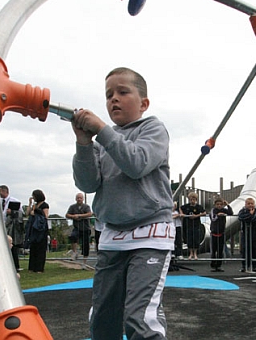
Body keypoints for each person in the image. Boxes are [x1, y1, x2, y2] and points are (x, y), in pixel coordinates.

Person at [72, 67, 174, 340]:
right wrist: (84, 143)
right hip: (113, 235)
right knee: (102, 317)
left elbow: (136, 163)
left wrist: (102, 131)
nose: (113, 99)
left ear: (144, 103)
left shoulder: (153, 128)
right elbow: (87, 184)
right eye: (108, 95)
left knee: (140, 316)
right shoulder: (101, 142)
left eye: (122, 92)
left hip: (150, 233)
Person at [66, 192, 93, 268]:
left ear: (83, 199)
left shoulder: (86, 206)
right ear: (75, 199)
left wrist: (80, 215)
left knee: (85, 246)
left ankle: (84, 263)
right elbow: (67, 215)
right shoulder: (72, 207)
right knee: (73, 236)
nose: (79, 199)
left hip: (85, 228)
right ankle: (74, 252)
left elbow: (89, 214)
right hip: (77, 227)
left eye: (80, 198)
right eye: (78, 198)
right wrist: (73, 216)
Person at [1, 185, 24, 272]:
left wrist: (12, 212)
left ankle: (15, 265)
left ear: (5, 191)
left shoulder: (14, 201)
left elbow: (20, 214)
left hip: (11, 226)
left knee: (12, 245)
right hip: (3, 224)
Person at [25, 189, 49, 273]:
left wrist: (36, 213)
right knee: (33, 247)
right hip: (34, 228)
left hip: (41, 228)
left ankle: (39, 268)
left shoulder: (45, 205)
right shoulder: (35, 205)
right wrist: (30, 204)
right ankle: (32, 267)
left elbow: (46, 215)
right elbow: (27, 213)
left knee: (41, 248)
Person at [209, 198, 233, 272]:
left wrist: (228, 205)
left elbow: (230, 213)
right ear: (215, 205)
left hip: (221, 233)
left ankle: (219, 265)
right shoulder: (213, 210)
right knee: (214, 250)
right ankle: (213, 264)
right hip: (214, 233)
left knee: (220, 250)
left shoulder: (224, 210)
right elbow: (213, 218)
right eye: (217, 204)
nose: (219, 206)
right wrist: (218, 215)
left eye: (221, 204)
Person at [238, 197, 256, 273]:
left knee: (255, 249)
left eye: (252, 203)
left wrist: (249, 216)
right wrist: (250, 214)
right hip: (245, 233)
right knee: (245, 249)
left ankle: (254, 266)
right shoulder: (242, 211)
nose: (250, 205)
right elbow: (240, 217)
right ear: (245, 204)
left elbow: (255, 218)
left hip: (255, 233)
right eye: (248, 204)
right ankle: (244, 266)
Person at [181, 191, 206, 260]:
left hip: (196, 225)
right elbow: (180, 208)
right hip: (188, 225)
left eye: (193, 199)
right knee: (189, 239)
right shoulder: (186, 206)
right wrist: (182, 214)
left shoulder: (198, 207)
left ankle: (195, 253)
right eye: (191, 199)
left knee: (196, 239)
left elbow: (204, 213)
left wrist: (197, 216)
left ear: (196, 200)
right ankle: (190, 253)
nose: (192, 201)